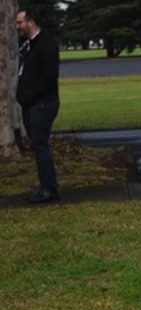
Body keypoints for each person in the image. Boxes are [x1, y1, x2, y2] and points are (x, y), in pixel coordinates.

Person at [16, 8, 61, 204]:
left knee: (40, 145)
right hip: (31, 104)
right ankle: (46, 186)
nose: (18, 26)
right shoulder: (28, 45)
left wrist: (31, 96)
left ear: (30, 22)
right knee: (37, 145)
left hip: (42, 104)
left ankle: (49, 189)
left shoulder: (46, 44)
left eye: (20, 23)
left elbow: (49, 76)